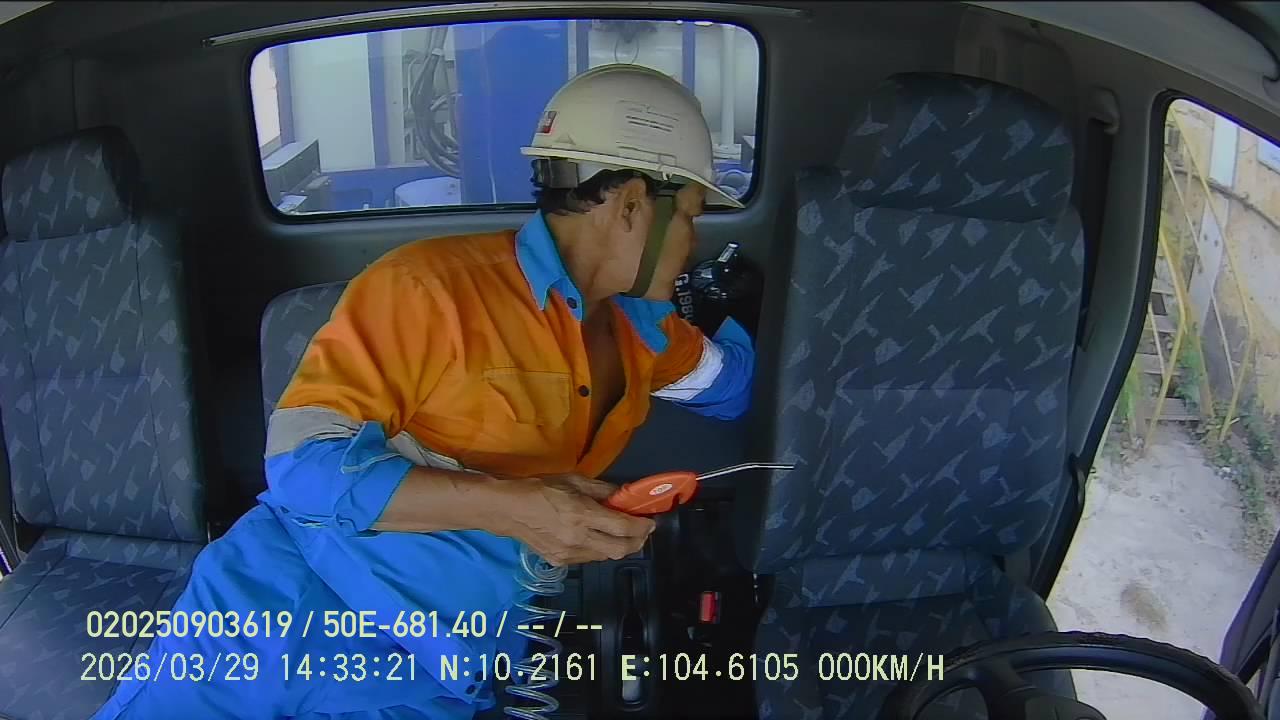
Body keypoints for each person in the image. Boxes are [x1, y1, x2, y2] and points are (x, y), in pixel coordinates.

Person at [88, 64, 754, 720]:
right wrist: (515, 507)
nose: (694, 242)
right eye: (690, 216)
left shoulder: (649, 332)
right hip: (282, 620)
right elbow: (301, 467)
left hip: (438, 667)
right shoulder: (427, 288)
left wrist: (744, 312)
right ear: (633, 204)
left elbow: (731, 391)